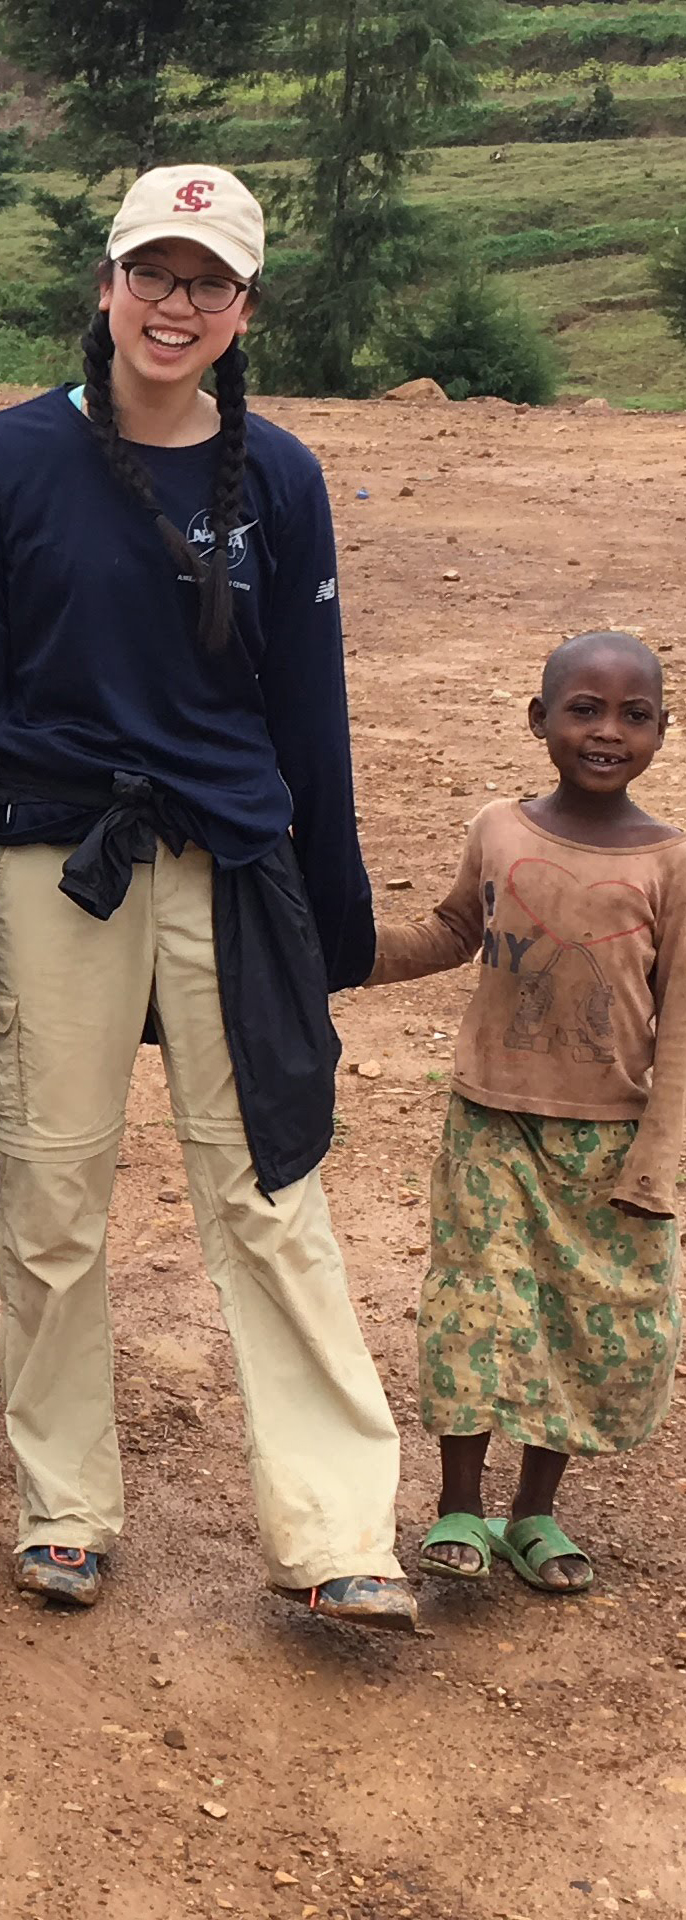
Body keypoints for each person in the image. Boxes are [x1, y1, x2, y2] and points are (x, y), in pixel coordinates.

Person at [0, 164, 414, 1629]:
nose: (175, 303)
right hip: (52, 861)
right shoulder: (6, 461)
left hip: (233, 863)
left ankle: (333, 1531)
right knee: (55, 1192)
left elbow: (311, 715)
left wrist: (332, 918)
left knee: (269, 1187)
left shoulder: (289, 479)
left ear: (247, 306)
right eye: (154, 271)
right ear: (108, 282)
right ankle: (64, 1507)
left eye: (208, 280)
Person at [369, 630, 684, 1595]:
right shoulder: (498, 827)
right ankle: (458, 1504)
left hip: (610, 1140)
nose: (607, 731)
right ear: (537, 720)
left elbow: (679, 1023)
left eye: (635, 715)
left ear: (664, 731)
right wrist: (342, 951)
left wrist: (657, 1160)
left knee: (585, 1326)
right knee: (474, 1308)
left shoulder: (673, 860)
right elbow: (454, 930)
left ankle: (534, 1513)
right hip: (491, 1122)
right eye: (584, 709)